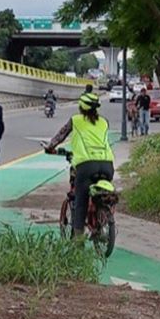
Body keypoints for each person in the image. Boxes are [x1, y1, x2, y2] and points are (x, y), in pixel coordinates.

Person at [45, 91, 115, 237]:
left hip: (86, 166)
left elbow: (60, 136)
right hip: (107, 165)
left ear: (81, 107)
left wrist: (50, 147)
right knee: (102, 194)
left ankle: (78, 240)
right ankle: (101, 217)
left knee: (80, 201)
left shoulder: (76, 120)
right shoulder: (104, 122)